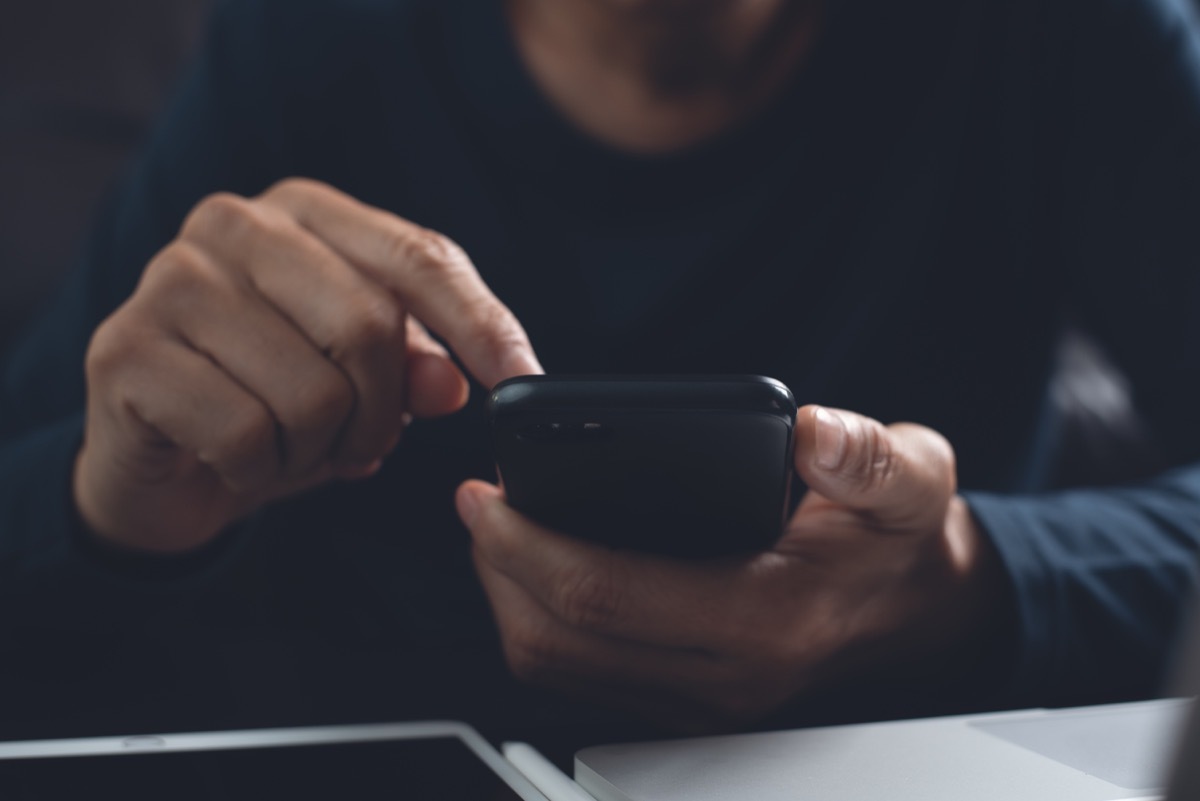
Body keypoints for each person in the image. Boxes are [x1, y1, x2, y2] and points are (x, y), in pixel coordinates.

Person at [1, 0, 1198, 748]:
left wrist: (973, 580)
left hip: (892, 762)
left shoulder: (1066, 29)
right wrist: (110, 507)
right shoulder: (304, 39)